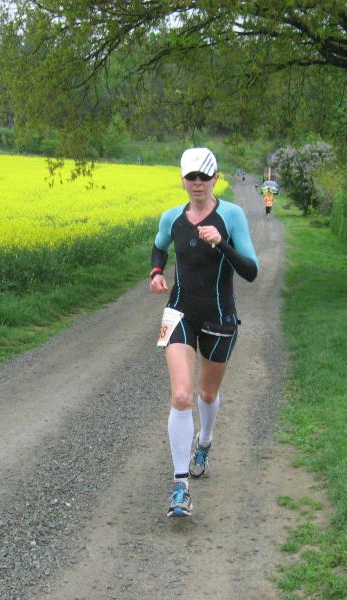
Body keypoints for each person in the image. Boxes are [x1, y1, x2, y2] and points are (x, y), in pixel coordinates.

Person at [149, 147, 259, 517]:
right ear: (182, 180)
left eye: (204, 177)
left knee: (206, 393)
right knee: (181, 396)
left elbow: (251, 271)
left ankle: (205, 441)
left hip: (219, 317)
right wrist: (156, 272)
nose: (197, 183)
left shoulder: (232, 215)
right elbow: (159, 247)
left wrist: (221, 243)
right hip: (179, 312)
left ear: (216, 178)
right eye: (191, 177)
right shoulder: (171, 217)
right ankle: (180, 487)